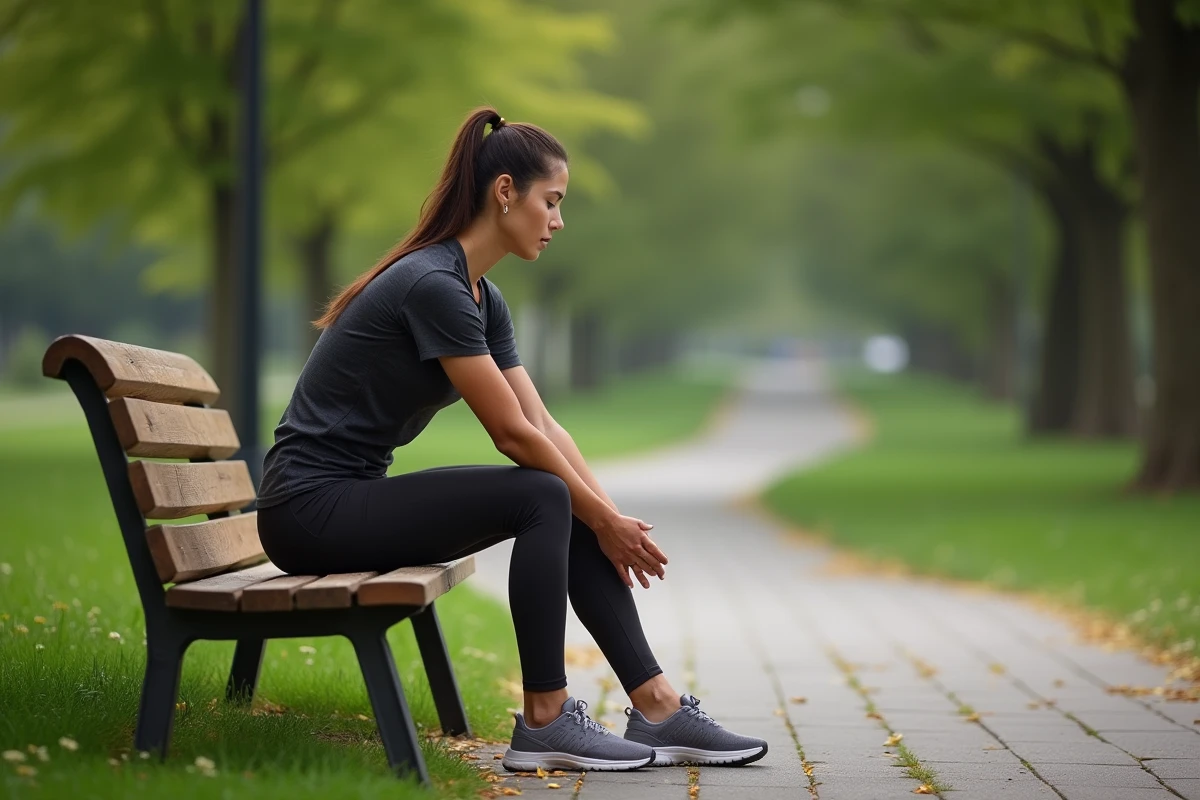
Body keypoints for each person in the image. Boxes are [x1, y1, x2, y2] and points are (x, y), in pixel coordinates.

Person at [256, 107, 768, 772]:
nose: (558, 221)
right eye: (550, 201)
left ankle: (658, 706)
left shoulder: (479, 296)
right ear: (505, 192)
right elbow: (510, 435)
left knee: (566, 496)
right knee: (545, 494)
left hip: (342, 502)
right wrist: (599, 517)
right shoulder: (432, 286)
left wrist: (608, 518)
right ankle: (547, 719)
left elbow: (545, 425)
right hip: (307, 512)